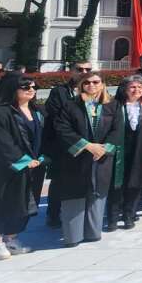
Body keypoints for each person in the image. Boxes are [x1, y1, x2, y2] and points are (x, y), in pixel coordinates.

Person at [52, 71, 120, 246]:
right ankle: (73, 236)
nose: (92, 85)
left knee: (97, 195)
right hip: (76, 158)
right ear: (81, 85)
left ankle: (93, 233)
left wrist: (104, 149)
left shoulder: (112, 105)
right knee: (75, 196)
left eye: (96, 82)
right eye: (87, 82)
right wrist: (87, 146)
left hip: (101, 158)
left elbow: (118, 130)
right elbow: (62, 128)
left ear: (102, 84)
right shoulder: (70, 105)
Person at [0, 75, 45, 260]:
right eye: (25, 87)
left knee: (22, 204)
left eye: (34, 87)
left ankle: (11, 239)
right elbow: (0, 141)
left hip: (32, 167)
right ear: (12, 89)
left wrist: (42, 157)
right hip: (2, 168)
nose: (31, 90)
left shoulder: (37, 111)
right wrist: (22, 160)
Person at [41, 62, 92, 227]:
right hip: (63, 145)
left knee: (84, 180)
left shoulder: (94, 90)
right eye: (80, 69)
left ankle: (81, 216)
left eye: (88, 69)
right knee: (59, 181)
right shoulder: (60, 92)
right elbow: (55, 118)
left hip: (88, 144)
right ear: (71, 71)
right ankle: (53, 215)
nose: (84, 72)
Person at [109, 75, 142, 229]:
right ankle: (112, 218)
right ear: (125, 89)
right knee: (116, 185)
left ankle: (129, 215)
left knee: (135, 183)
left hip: (141, 149)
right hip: (119, 151)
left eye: (140, 87)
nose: (136, 90)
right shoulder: (115, 105)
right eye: (132, 87)